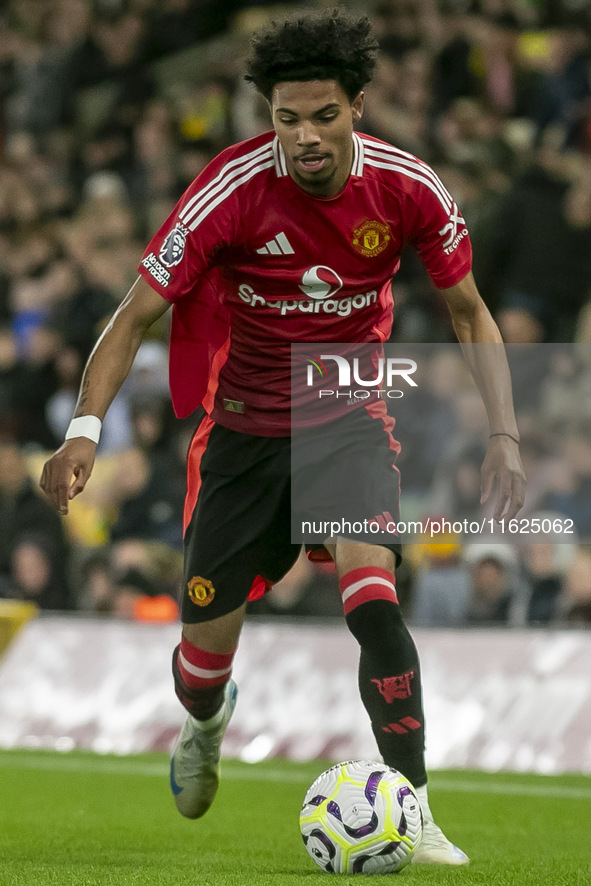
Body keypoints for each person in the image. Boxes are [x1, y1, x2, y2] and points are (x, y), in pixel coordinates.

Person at [41, 11, 525, 866]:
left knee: (372, 602)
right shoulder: (228, 192)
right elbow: (133, 314)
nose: (303, 138)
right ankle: (204, 723)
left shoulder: (409, 189)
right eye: (285, 119)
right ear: (267, 117)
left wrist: (504, 434)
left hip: (348, 420)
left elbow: (469, 312)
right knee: (200, 667)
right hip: (240, 437)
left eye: (322, 117)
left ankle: (411, 800)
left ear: (357, 108)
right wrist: (85, 429)